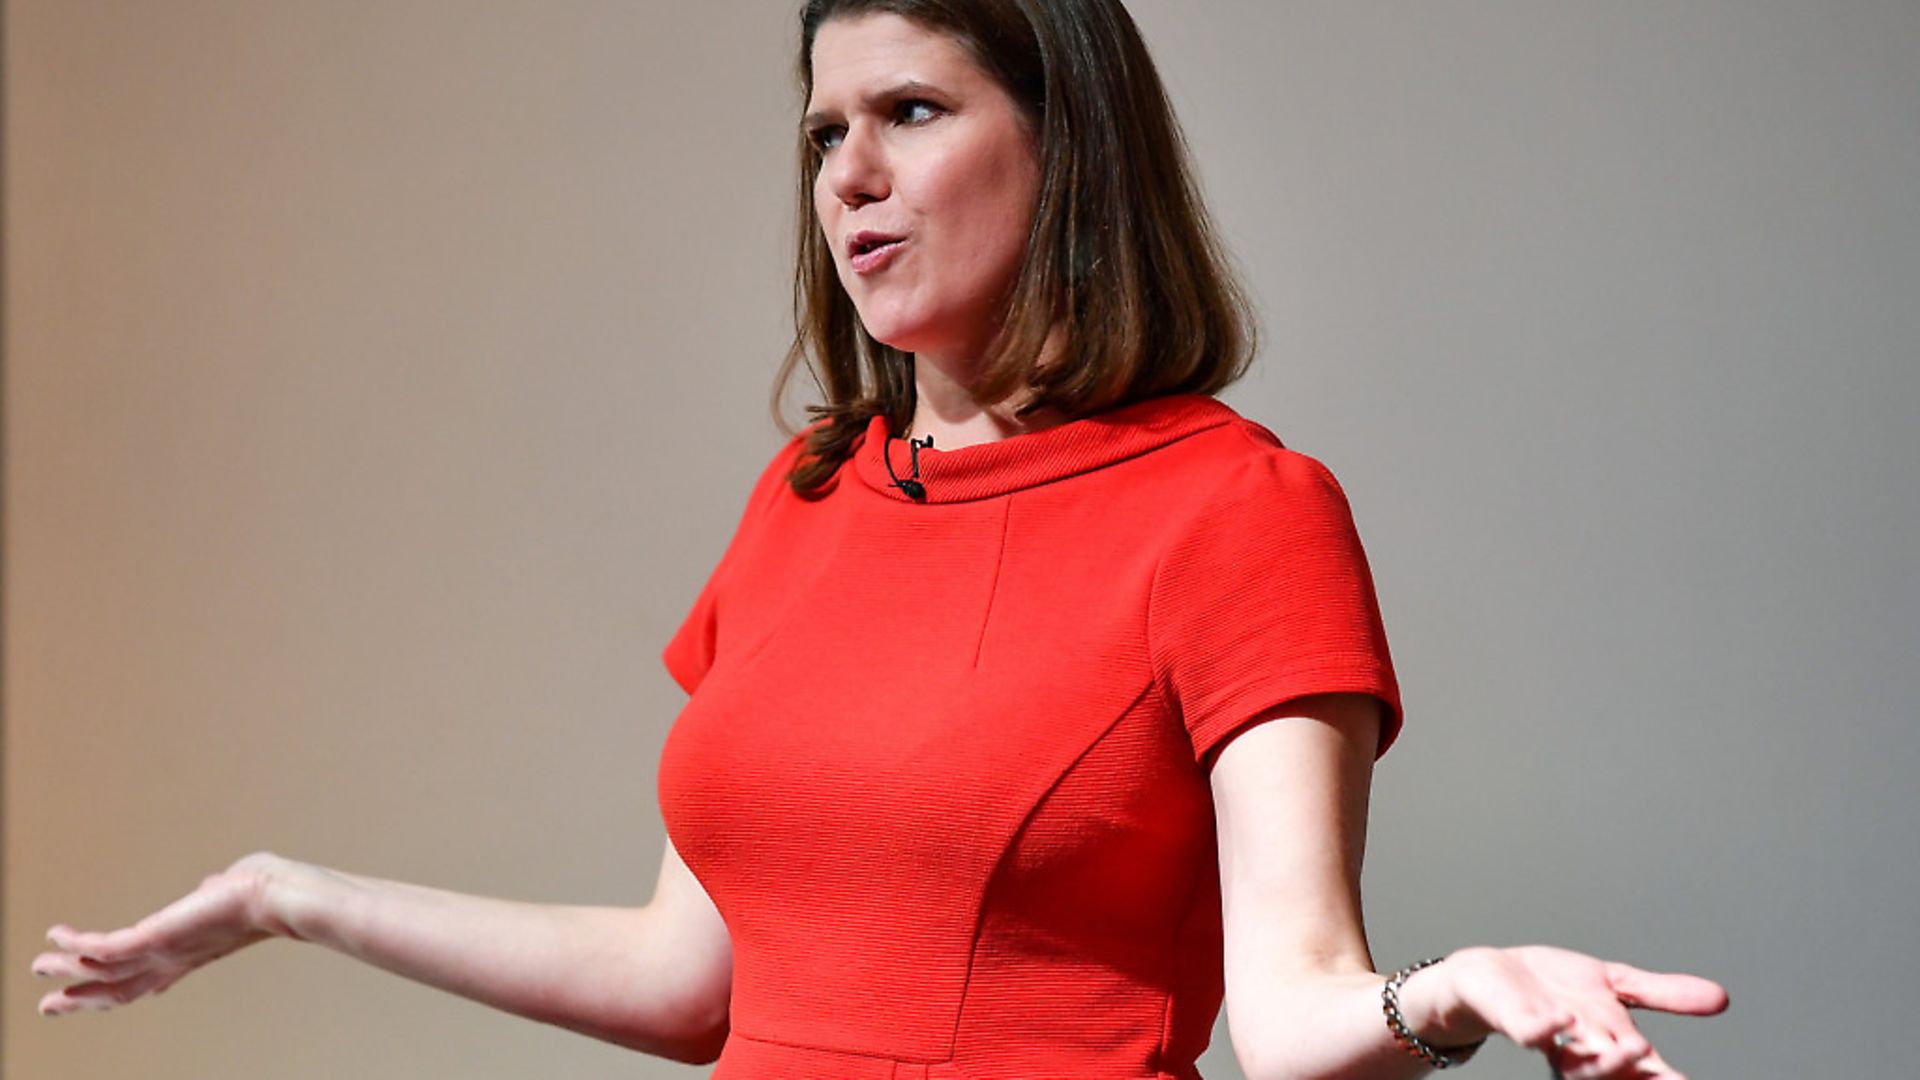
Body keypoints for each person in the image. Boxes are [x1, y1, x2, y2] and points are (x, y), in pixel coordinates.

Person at [31, 2, 1729, 1078]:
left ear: (1062, 144)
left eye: (912, 112)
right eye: (824, 131)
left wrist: (1450, 996)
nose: (849, 174)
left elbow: (1285, 1011)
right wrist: (286, 898)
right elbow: (690, 981)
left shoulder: (1239, 511)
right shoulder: (805, 502)